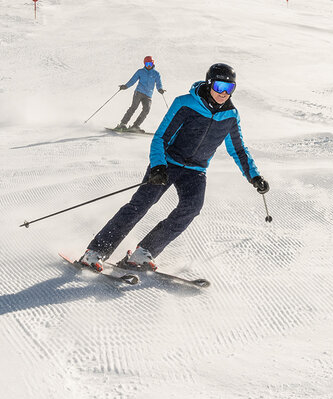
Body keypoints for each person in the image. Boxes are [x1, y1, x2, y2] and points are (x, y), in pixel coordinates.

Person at [80, 63, 270, 271]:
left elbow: (239, 150)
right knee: (140, 205)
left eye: (229, 88)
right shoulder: (185, 103)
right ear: (209, 84)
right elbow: (160, 137)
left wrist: (255, 177)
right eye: (218, 87)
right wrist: (159, 166)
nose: (223, 93)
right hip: (168, 163)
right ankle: (96, 251)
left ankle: (144, 252)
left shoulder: (231, 115)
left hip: (196, 170)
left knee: (192, 207)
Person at [115, 56, 165, 132]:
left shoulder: (156, 74)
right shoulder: (140, 71)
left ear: (153, 63)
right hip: (139, 92)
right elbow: (133, 80)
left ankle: (135, 126)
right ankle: (123, 123)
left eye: (150, 63)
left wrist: (160, 89)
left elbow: (159, 83)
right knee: (133, 107)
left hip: (148, 95)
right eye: (147, 63)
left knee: (146, 109)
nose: (149, 65)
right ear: (144, 64)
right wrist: (126, 86)